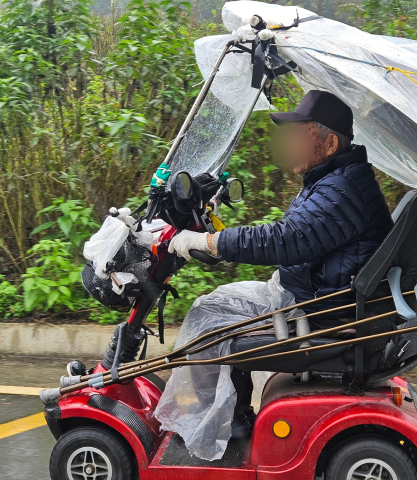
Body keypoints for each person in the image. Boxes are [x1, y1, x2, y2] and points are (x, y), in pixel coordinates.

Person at [157, 90, 394, 459]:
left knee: (208, 316)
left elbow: (287, 239)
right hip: (314, 293)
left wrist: (210, 241)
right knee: (216, 303)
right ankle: (230, 417)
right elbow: (295, 234)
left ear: (330, 142)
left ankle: (206, 425)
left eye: (302, 135)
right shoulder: (337, 178)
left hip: (317, 308)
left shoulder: (341, 190)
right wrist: (217, 239)